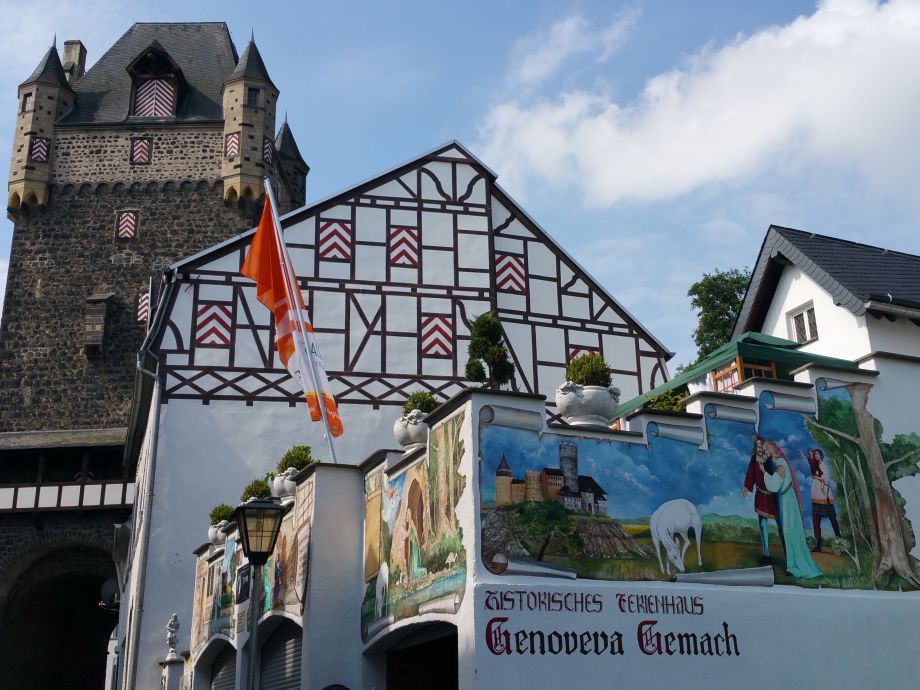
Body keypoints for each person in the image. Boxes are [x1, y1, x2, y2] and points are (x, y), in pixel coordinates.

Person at [762, 442, 822, 579]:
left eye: (766, 450)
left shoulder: (780, 465)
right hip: (787, 499)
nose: (765, 453)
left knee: (789, 531)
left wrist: (763, 472)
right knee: (789, 531)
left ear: (771, 450)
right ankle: (792, 564)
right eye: (764, 451)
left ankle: (795, 565)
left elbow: (773, 486)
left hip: (788, 502)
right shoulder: (779, 463)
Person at [741, 436, 784, 566]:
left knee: (780, 525)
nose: (760, 449)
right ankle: (766, 554)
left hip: (773, 497)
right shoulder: (754, 459)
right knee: (762, 525)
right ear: (756, 448)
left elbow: (778, 475)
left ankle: (788, 553)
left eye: (761, 446)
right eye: (758, 447)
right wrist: (747, 487)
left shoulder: (771, 458)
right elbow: (750, 473)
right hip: (761, 495)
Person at [805, 448, 842, 552]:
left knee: (832, 518)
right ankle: (818, 545)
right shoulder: (814, 466)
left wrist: (816, 477)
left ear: (821, 455)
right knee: (815, 520)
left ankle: (840, 541)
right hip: (816, 496)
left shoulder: (824, 466)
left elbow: (824, 479)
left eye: (817, 454)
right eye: (815, 454)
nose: (816, 456)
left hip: (824, 495)